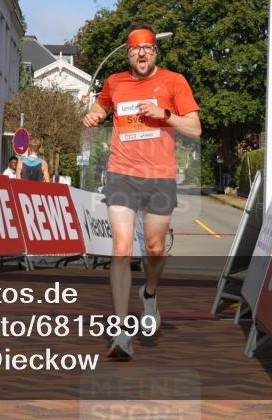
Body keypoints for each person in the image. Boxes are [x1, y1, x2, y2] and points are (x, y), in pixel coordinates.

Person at [82, 23, 201, 360]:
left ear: (155, 52)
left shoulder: (174, 82)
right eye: (136, 48)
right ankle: (121, 332)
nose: (142, 52)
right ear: (128, 52)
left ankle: (149, 295)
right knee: (121, 248)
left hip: (160, 176)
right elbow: (101, 107)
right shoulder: (114, 82)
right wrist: (92, 115)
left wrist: (165, 115)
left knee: (154, 248)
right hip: (121, 173)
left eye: (148, 47)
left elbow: (195, 127)